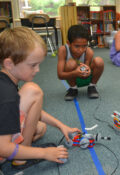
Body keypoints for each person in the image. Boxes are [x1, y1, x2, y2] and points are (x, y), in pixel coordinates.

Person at [0, 27, 80, 170]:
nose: (37, 70)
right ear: (9, 64)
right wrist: (44, 153)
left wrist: (61, 125)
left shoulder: (5, 81)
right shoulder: (7, 94)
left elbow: (33, 111)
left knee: (40, 128)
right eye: (33, 65)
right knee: (33, 91)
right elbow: (2, 147)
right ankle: (19, 160)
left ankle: (21, 151)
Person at [57, 25, 104, 101]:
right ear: (68, 43)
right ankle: (73, 88)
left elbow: (85, 70)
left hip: (85, 77)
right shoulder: (63, 50)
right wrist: (75, 73)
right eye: (77, 46)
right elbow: (60, 75)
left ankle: (92, 86)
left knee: (99, 61)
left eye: (84, 46)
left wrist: (87, 71)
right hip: (71, 77)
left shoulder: (89, 52)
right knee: (71, 63)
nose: (81, 50)